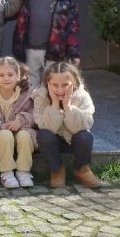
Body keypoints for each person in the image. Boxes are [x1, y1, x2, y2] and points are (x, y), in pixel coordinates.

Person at [12, 0, 80, 90]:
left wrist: (74, 53)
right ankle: (33, 106)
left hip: (55, 51)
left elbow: (72, 27)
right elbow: (10, 11)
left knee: (53, 87)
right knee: (30, 87)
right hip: (29, 50)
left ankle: (50, 106)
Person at [34, 61, 100, 189]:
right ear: (48, 83)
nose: (60, 90)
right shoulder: (41, 96)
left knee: (85, 136)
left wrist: (67, 107)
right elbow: (47, 127)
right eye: (55, 85)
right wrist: (54, 104)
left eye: (65, 85)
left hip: (74, 140)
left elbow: (82, 126)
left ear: (73, 82)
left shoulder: (82, 96)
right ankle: (57, 170)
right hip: (53, 142)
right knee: (43, 135)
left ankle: (82, 169)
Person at [0, 55, 36, 188]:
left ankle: (24, 171)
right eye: (2, 75)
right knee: (5, 134)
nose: (6, 78)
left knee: (25, 135)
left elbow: (36, 114)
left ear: (18, 76)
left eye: (10, 75)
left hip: (22, 131)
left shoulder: (28, 95)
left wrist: (21, 121)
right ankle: (7, 172)